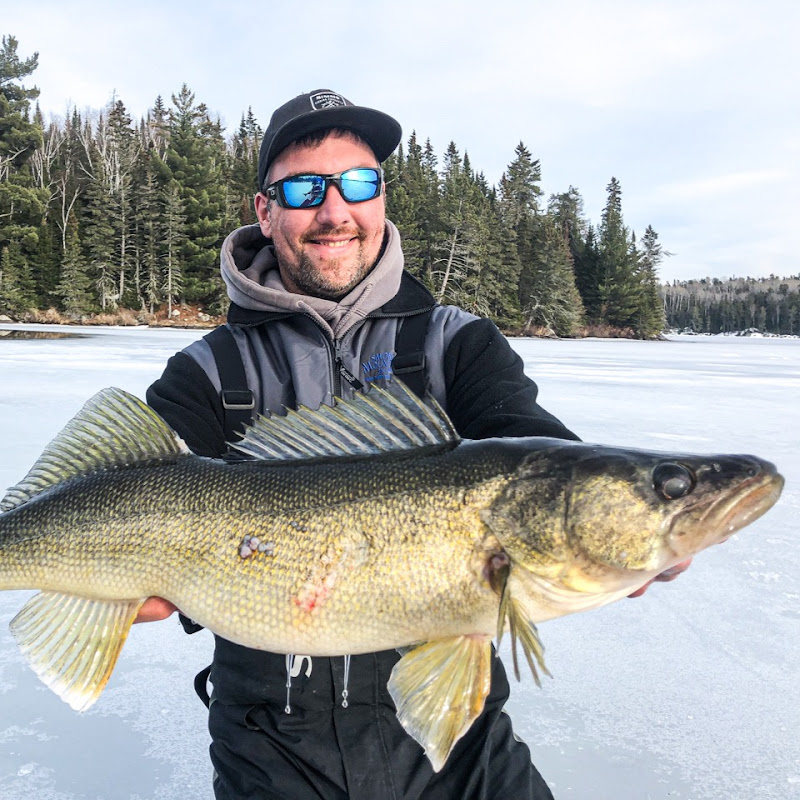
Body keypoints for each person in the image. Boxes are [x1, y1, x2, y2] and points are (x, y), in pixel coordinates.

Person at [138, 89, 690, 800]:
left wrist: (624, 520)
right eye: (305, 188)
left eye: (358, 183)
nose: (335, 211)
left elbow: (538, 453)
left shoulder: (454, 343)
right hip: (268, 743)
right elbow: (131, 485)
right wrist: (145, 584)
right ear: (265, 211)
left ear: (382, 197)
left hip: (460, 751)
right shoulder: (207, 371)